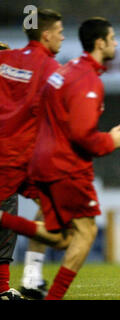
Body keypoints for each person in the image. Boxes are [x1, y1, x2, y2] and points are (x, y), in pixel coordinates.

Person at [0, 17, 120, 300]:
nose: (62, 37)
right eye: (59, 31)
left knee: (62, 232)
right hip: (46, 161)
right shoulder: (66, 72)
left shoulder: (45, 65)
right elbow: (82, 134)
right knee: (83, 232)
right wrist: (109, 139)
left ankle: (30, 275)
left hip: (33, 157)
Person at [0, 9, 64, 300]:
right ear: (47, 34)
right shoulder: (49, 68)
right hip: (18, 158)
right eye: (60, 32)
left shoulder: (5, 59)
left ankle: (24, 280)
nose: (63, 37)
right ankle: (25, 278)